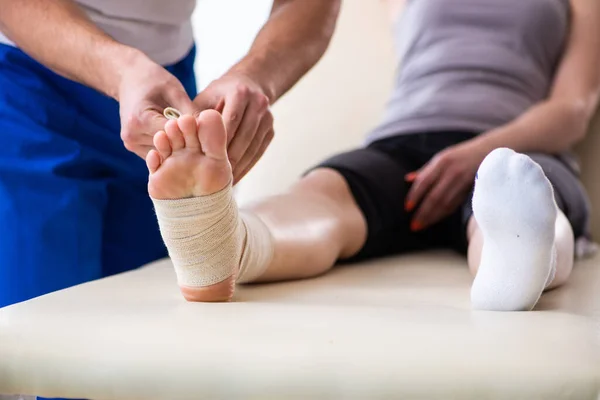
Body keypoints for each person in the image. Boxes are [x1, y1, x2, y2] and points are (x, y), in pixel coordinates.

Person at [148, 0, 600, 311]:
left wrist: (476, 154)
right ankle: (224, 245)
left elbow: (573, 108)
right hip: (404, 141)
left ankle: (511, 272)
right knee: (323, 196)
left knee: (519, 205)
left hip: (513, 151)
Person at [0, 0, 342, 308]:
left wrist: (257, 78)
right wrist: (122, 71)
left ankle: (208, 243)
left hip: (164, 86)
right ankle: (211, 243)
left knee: (149, 325)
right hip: (29, 85)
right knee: (43, 318)